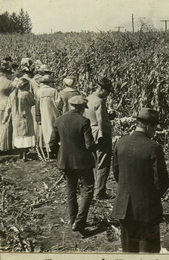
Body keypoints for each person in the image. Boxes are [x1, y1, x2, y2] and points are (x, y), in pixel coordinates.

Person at [112, 108, 169, 253]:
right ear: (149, 126)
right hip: (147, 209)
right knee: (148, 253)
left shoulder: (120, 143)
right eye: (155, 127)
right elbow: (161, 182)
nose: (155, 131)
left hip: (124, 207)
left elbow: (116, 173)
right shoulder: (153, 147)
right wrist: (152, 196)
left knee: (129, 251)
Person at [49, 95, 95, 233]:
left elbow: (52, 143)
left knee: (71, 190)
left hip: (66, 162)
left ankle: (72, 219)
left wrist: (60, 153)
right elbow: (89, 145)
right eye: (83, 108)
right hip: (83, 162)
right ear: (81, 107)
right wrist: (95, 145)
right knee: (88, 189)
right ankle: (80, 222)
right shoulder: (84, 121)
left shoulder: (59, 119)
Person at [84, 77, 113, 199]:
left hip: (89, 133)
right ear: (101, 89)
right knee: (103, 163)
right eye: (107, 91)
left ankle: (93, 188)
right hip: (100, 134)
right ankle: (99, 192)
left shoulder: (88, 98)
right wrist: (107, 133)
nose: (107, 94)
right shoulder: (99, 101)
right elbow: (101, 121)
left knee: (94, 162)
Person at [3, 78, 35, 161]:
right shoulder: (26, 94)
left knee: (18, 136)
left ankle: (20, 154)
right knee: (25, 135)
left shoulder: (12, 94)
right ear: (25, 85)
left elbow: (8, 108)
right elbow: (32, 103)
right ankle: (25, 155)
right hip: (25, 117)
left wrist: (5, 119)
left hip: (15, 118)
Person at [35, 74, 61, 156]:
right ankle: (54, 148)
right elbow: (58, 103)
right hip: (54, 113)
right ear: (49, 83)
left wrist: (38, 117)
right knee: (54, 129)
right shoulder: (53, 91)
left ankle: (48, 149)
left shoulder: (39, 91)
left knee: (46, 130)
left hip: (44, 114)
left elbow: (37, 105)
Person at [0, 65, 13, 152]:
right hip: (5, 104)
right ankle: (4, 145)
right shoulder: (9, 82)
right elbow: (12, 95)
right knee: (4, 125)